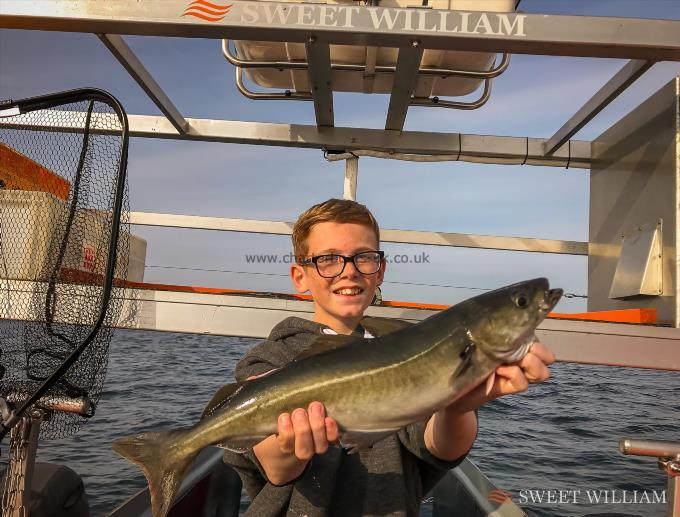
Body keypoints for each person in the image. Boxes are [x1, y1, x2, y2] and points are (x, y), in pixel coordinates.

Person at [223, 198, 555, 516]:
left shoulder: (409, 346)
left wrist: (456, 406)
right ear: (300, 276)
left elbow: (440, 448)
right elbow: (272, 468)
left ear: (379, 270)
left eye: (363, 257)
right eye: (328, 259)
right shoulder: (269, 359)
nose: (348, 271)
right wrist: (287, 444)